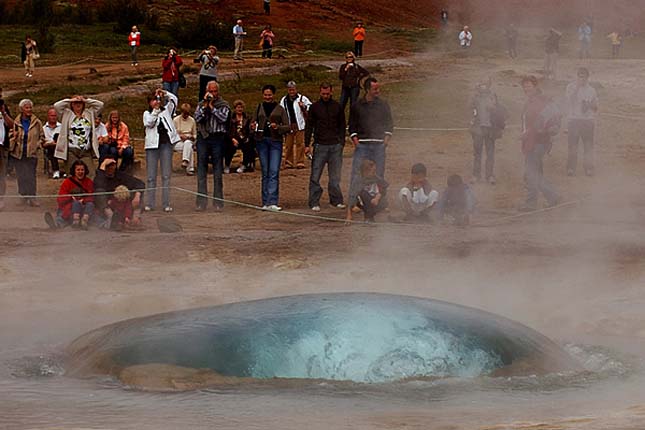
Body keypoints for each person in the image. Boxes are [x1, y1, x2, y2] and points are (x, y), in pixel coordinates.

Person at [347, 77, 393, 214]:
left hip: (379, 145)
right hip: (363, 145)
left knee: (379, 174)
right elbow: (352, 125)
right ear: (367, 90)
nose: (378, 91)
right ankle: (354, 202)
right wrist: (356, 141)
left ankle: (381, 203)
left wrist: (386, 139)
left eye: (378, 88)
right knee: (357, 174)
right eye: (375, 89)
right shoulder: (357, 105)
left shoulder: (383, 105)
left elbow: (389, 123)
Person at [519, 75, 561, 212]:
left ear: (535, 86)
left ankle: (535, 201)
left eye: (529, 85)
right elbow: (528, 124)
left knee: (531, 173)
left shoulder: (542, 100)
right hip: (531, 141)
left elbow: (554, 116)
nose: (526, 88)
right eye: (525, 86)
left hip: (538, 142)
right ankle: (550, 197)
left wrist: (547, 129)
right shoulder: (530, 102)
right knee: (535, 172)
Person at [305, 82, 346, 212]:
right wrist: (307, 144)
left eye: (327, 93)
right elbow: (309, 126)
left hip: (335, 145)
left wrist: (341, 142)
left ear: (331, 92)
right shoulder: (314, 107)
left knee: (335, 176)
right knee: (315, 176)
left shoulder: (337, 107)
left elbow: (342, 125)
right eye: (323, 94)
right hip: (320, 145)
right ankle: (314, 201)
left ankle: (336, 200)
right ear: (320, 92)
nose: (326, 96)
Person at [250, 84, 290, 211]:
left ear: (273, 95)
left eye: (270, 95)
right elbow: (252, 122)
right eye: (265, 95)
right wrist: (252, 126)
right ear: (263, 95)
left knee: (273, 171)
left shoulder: (280, 109)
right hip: (261, 141)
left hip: (275, 142)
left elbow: (287, 126)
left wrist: (277, 127)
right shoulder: (258, 107)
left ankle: (273, 201)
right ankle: (265, 202)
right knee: (265, 171)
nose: (267, 97)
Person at [194, 81, 231, 212]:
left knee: (217, 172)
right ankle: (201, 202)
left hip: (217, 138)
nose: (213, 94)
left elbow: (223, 118)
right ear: (206, 92)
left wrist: (212, 108)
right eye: (211, 91)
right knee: (201, 171)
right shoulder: (200, 104)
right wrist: (205, 106)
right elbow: (197, 118)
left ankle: (218, 202)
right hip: (203, 138)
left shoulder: (223, 105)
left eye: (215, 91)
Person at [143, 89, 180, 212]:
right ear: (149, 102)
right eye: (154, 100)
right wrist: (155, 111)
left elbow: (174, 100)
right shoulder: (147, 114)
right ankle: (150, 203)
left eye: (158, 99)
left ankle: (166, 203)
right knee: (151, 176)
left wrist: (165, 93)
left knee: (166, 175)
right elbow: (149, 123)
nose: (156, 102)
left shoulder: (167, 111)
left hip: (165, 145)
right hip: (152, 147)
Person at [54, 95, 104, 177]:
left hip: (85, 150)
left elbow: (100, 105)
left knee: (91, 174)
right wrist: (71, 100)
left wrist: (86, 100)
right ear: (72, 104)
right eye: (75, 103)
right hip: (71, 150)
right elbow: (57, 105)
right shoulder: (66, 114)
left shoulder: (89, 113)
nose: (78, 104)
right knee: (72, 175)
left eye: (80, 103)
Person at [469, 78, 506, 184]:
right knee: (477, 153)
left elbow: (499, 110)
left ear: (489, 85)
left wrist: (493, 108)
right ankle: (476, 175)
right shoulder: (475, 96)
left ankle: (489, 175)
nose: (483, 86)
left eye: (485, 84)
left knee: (490, 153)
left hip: (490, 128)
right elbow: (469, 108)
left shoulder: (493, 96)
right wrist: (473, 94)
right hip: (478, 129)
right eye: (481, 84)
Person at [9, 99, 44, 207]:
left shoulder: (37, 122)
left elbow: (42, 137)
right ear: (22, 109)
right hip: (18, 153)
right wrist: (13, 137)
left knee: (31, 176)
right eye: (26, 107)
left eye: (30, 107)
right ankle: (23, 196)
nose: (29, 110)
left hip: (31, 153)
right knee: (21, 175)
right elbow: (11, 135)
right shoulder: (16, 122)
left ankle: (32, 197)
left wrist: (37, 145)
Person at [94, 158, 145, 230]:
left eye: (113, 165)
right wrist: (102, 168)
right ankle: (112, 218)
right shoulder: (100, 177)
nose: (111, 167)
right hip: (107, 207)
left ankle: (135, 219)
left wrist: (137, 195)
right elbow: (98, 185)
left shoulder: (120, 175)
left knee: (137, 193)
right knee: (99, 192)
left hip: (122, 204)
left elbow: (140, 183)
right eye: (108, 165)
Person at [565, 67, 598, 177]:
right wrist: (577, 88)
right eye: (579, 75)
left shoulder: (592, 90)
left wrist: (589, 105)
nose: (581, 78)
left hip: (587, 121)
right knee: (572, 146)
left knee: (588, 146)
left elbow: (595, 107)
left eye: (584, 76)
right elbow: (569, 100)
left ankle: (589, 168)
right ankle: (571, 168)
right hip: (574, 120)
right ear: (577, 76)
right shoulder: (570, 87)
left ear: (587, 77)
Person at [45, 160, 95, 230]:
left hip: (85, 210)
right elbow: (60, 199)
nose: (80, 172)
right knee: (63, 215)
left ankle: (107, 224)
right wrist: (71, 198)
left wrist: (83, 200)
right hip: (70, 209)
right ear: (74, 171)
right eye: (78, 170)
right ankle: (56, 224)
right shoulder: (67, 182)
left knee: (91, 207)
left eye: (82, 170)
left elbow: (92, 197)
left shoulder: (89, 182)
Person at [280, 81, 312, 169]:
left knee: (300, 144)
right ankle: (288, 162)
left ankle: (300, 161)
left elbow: (310, 107)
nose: (291, 92)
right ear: (288, 90)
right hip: (289, 125)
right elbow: (281, 111)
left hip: (300, 124)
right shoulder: (284, 100)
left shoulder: (302, 98)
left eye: (293, 90)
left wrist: (304, 107)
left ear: (296, 89)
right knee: (288, 144)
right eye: (290, 90)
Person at [346, 159, 388, 223]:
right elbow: (352, 196)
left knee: (384, 202)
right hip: (362, 201)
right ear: (365, 172)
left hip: (374, 201)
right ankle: (368, 217)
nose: (375, 173)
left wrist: (377, 198)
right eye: (373, 172)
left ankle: (370, 216)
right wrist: (349, 215)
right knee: (363, 193)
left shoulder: (376, 178)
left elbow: (383, 188)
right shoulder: (358, 181)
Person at [229, 100, 254, 173]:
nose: (240, 109)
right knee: (229, 146)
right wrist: (232, 138)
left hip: (244, 138)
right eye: (238, 107)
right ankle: (227, 164)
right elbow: (228, 130)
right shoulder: (231, 118)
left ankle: (245, 164)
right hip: (234, 138)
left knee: (249, 145)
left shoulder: (247, 118)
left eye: (241, 107)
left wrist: (248, 137)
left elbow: (250, 129)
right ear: (235, 108)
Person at [173, 103, 197, 176]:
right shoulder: (176, 120)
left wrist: (192, 137)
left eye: (187, 113)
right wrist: (180, 136)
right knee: (189, 148)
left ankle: (185, 161)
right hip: (178, 142)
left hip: (189, 140)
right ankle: (190, 168)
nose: (186, 115)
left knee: (188, 143)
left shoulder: (192, 120)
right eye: (184, 113)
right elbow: (172, 134)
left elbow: (195, 134)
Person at [0, 90, 14, 210]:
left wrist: (4, 113)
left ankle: (1, 198)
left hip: (2, 146)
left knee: (1, 174)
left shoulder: (3, 108)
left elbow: (11, 125)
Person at [42, 107, 61, 179]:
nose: (53, 117)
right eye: (51, 115)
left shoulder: (61, 127)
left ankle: (62, 170)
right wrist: (50, 143)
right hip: (49, 147)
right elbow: (43, 142)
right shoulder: (43, 128)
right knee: (51, 148)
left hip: (60, 146)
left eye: (55, 115)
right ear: (48, 116)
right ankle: (56, 170)